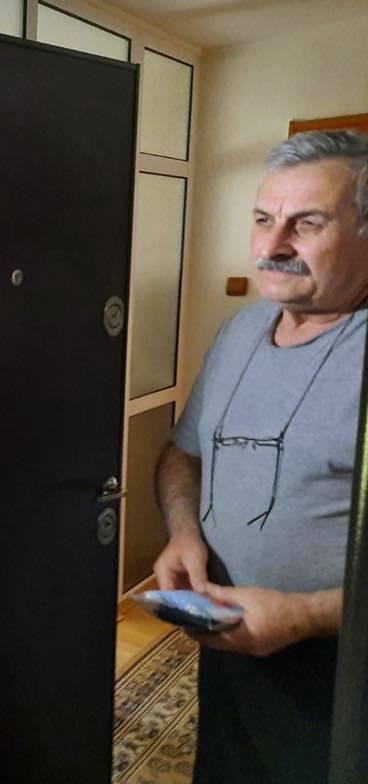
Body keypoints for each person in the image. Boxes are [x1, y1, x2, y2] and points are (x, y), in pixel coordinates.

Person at [153, 129, 368, 783]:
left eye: (307, 223)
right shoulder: (240, 330)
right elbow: (183, 454)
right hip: (232, 644)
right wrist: (183, 534)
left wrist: (303, 615)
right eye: (263, 219)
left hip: (341, 668)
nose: (273, 246)